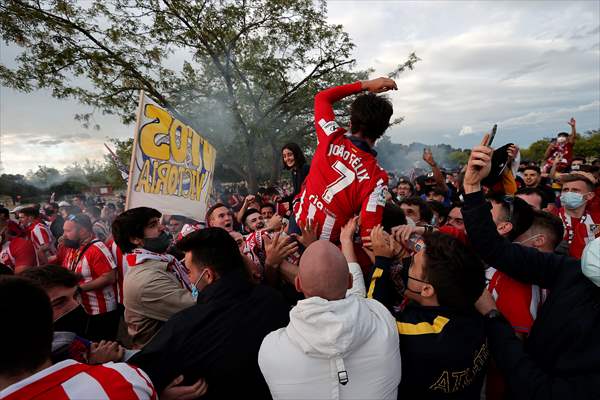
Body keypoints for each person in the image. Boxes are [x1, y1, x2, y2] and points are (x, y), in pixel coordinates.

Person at [462, 135, 600, 399]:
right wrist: (472, 187)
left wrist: (493, 318)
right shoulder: (572, 271)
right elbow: (494, 248)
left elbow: (538, 390)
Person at [129, 228, 290, 397]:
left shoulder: (184, 326)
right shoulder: (274, 299)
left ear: (208, 276)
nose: (189, 279)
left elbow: (133, 383)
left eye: (189, 271)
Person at [259, 240, 401, 400]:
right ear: (349, 281)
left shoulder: (270, 350)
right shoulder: (383, 321)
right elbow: (359, 297)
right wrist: (346, 240)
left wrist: (271, 263)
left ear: (298, 284)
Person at [368, 227, 488, 398]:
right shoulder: (473, 308)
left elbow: (374, 315)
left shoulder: (419, 332)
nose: (405, 262)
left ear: (426, 290)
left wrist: (381, 261)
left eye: (412, 264)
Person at [0, 276, 157, 400]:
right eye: (59, 303)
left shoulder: (73, 341)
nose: (75, 306)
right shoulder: (125, 378)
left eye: (76, 296)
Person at [293, 77, 396, 243]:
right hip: (328, 251)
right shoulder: (377, 179)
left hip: (295, 226)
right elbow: (369, 237)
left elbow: (322, 97)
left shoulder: (330, 136)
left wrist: (366, 85)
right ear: (381, 133)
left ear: (350, 121)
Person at [112, 207, 194, 349]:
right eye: (153, 225)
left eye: (158, 222)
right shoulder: (146, 280)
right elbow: (197, 308)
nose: (162, 227)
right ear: (135, 239)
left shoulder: (163, 260)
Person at [58, 214, 119, 341]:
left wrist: (78, 289)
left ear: (83, 231)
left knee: (101, 344)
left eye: (68, 231)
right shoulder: (73, 246)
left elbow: (109, 277)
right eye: (64, 230)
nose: (64, 235)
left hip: (101, 311)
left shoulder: (97, 249)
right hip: (83, 308)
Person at [554, 173, 598, 259]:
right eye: (565, 190)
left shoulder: (596, 220)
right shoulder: (550, 218)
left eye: (575, 190)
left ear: (589, 195)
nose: (569, 193)